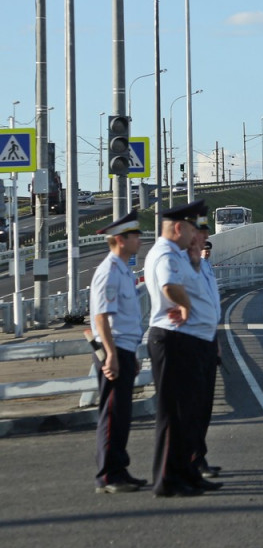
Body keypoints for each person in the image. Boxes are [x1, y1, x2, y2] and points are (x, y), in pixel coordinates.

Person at [144, 199, 222, 498]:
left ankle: (186, 473)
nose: (195, 235)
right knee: (173, 416)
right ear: (179, 227)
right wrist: (186, 305)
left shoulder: (182, 256)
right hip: (174, 337)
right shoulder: (166, 254)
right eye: (192, 228)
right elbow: (168, 286)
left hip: (192, 340)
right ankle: (167, 480)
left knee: (187, 415)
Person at [88, 208, 146, 494]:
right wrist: (111, 354)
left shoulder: (124, 270)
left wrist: (130, 353)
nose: (140, 239)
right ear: (121, 240)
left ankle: (119, 469)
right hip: (113, 351)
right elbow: (101, 317)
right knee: (112, 414)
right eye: (135, 235)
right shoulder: (109, 271)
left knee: (122, 414)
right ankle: (107, 476)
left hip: (124, 349)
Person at [191, 221, 222, 480]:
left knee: (203, 406)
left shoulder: (206, 267)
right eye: (203, 235)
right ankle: (191, 461)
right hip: (192, 342)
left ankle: (198, 458)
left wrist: (216, 340)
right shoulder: (186, 265)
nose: (206, 242)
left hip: (207, 339)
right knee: (193, 406)